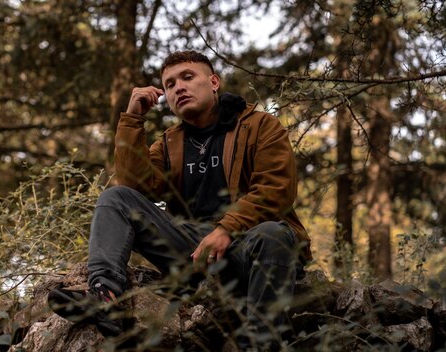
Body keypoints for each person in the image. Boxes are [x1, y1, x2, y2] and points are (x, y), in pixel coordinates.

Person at [48, 50, 312, 349]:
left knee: (274, 232)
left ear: (214, 82)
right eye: (170, 84)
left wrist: (226, 229)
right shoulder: (171, 143)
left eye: (188, 77)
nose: (179, 88)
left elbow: (275, 190)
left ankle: (262, 343)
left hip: (251, 247)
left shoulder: (260, 126)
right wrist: (132, 119)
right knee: (116, 198)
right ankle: (105, 297)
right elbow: (136, 187)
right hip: (192, 253)